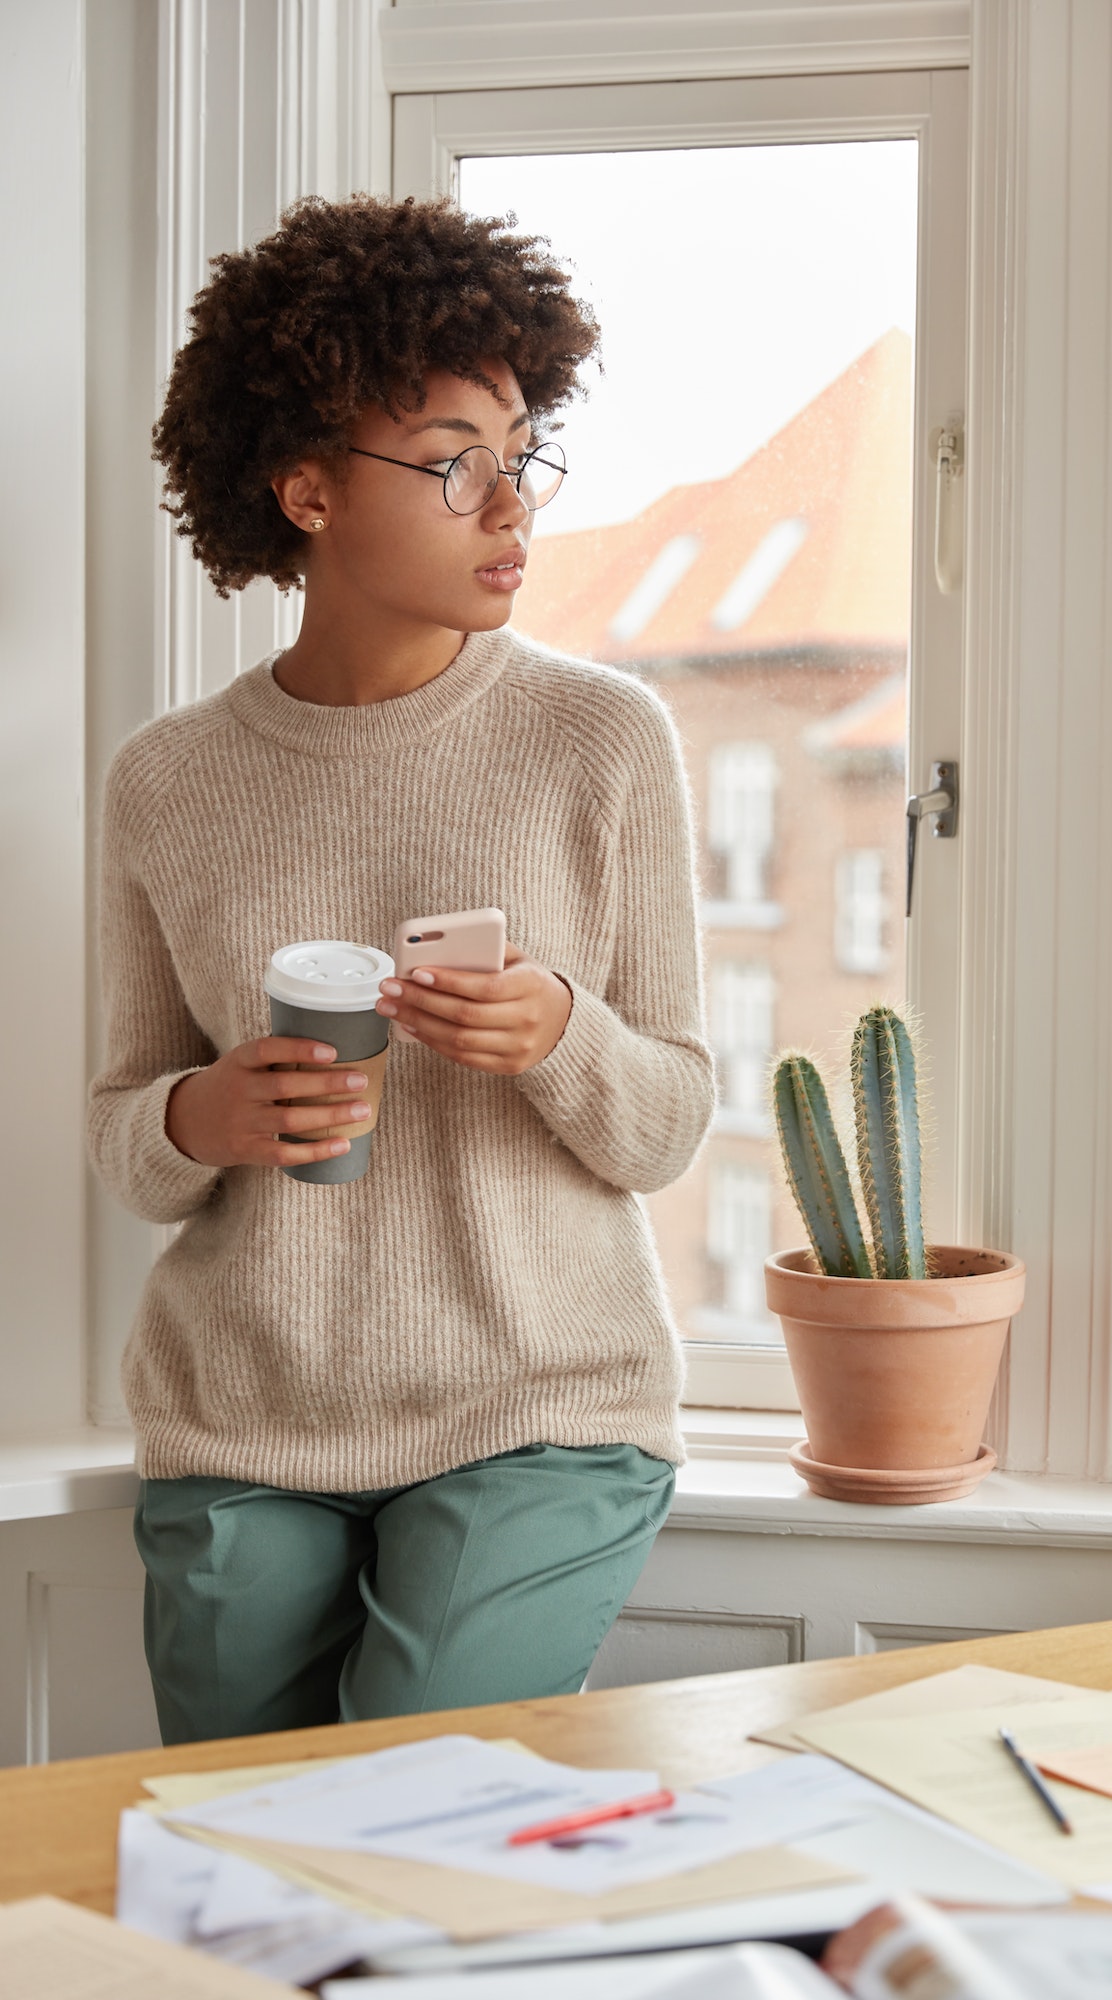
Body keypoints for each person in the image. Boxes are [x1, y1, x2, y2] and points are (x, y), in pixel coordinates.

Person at [87, 193, 715, 1746]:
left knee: (411, 1804)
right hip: (243, 1416)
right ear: (303, 487)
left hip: (541, 1413)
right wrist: (202, 1120)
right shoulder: (168, 778)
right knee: (235, 1852)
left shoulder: (600, 739)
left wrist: (559, 1032)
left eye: (522, 459)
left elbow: (667, 1126)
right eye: (452, 464)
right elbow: (125, 1139)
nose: (512, 510)